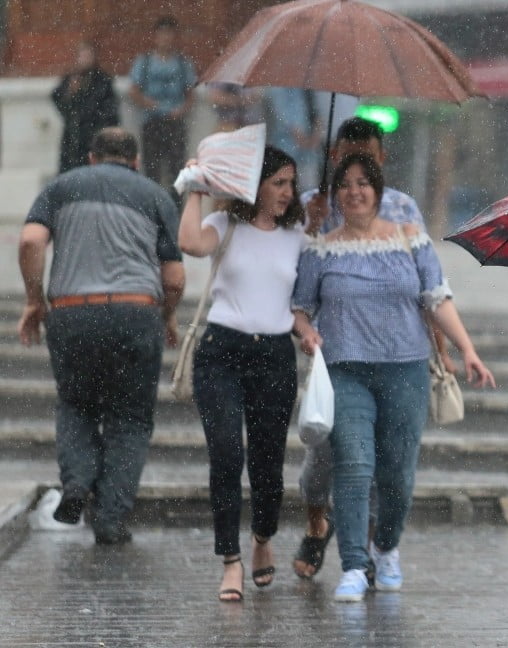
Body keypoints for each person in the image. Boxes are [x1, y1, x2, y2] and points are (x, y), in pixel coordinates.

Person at [291, 152, 496, 602]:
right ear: (335, 195)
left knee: (398, 474)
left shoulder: (410, 240)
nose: (354, 191)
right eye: (344, 184)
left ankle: (385, 548)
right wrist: (307, 335)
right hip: (345, 371)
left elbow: (437, 299)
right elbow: (300, 309)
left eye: (363, 182)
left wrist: (468, 350)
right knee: (354, 467)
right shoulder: (320, 249)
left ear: (379, 191)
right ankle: (352, 565)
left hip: (405, 370)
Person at [16, 127, 185, 545]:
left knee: (76, 406)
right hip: (135, 311)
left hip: (73, 313)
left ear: (91, 157)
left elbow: (30, 240)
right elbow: (176, 277)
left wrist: (34, 301)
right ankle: (110, 518)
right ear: (136, 161)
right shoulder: (155, 195)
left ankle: (76, 484)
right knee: (129, 419)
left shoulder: (63, 186)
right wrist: (166, 315)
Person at [177, 146, 311, 603]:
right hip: (222, 353)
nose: (287, 192)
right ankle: (230, 560)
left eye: (291, 183)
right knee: (227, 455)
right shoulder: (225, 224)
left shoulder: (299, 234)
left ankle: (262, 538)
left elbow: (303, 298)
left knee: (268, 464)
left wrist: (308, 331)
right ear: (253, 185)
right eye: (278, 182)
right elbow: (190, 244)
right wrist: (195, 188)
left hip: (274, 356)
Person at [128, 15, 197, 187]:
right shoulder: (144, 62)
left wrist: (181, 110)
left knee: (176, 172)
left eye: (169, 34)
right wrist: (149, 104)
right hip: (152, 123)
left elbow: (191, 94)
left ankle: (176, 209)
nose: (166, 38)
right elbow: (133, 91)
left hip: (175, 124)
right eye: (162, 34)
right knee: (152, 171)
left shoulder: (182, 63)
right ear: (155, 36)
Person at [51, 41, 119, 173]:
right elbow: (58, 99)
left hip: (95, 135)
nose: (85, 59)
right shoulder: (71, 79)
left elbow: (109, 109)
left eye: (88, 55)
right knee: (71, 172)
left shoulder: (102, 80)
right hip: (73, 137)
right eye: (82, 56)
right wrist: (71, 93)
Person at [263, 87, 322, 190]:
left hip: (308, 152)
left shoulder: (308, 85)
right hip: (287, 148)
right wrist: (304, 139)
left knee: (309, 190)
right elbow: (282, 115)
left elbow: (316, 111)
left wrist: (315, 136)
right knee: (287, 188)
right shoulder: (278, 87)